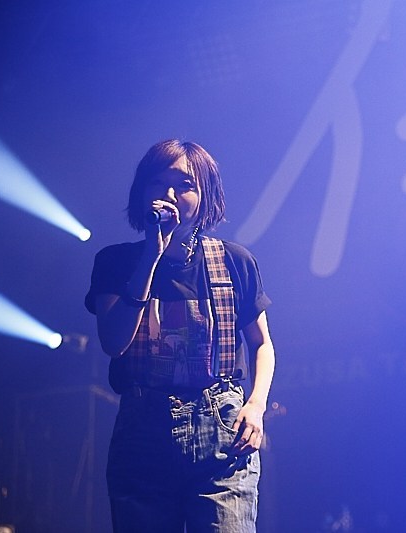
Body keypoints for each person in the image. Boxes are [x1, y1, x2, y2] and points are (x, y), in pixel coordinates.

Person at [85, 139, 276, 532]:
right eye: (158, 182)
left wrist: (256, 406)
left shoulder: (234, 262)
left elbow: (261, 344)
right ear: (142, 192)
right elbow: (114, 342)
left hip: (221, 434)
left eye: (184, 184)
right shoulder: (115, 262)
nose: (169, 194)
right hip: (143, 435)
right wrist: (151, 257)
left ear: (205, 197)